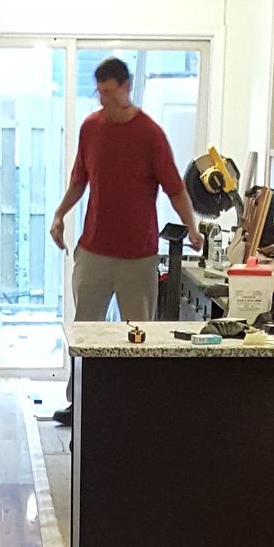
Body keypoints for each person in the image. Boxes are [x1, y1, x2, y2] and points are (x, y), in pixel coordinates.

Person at [49, 57, 202, 425]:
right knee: (85, 332)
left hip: (138, 256)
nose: (102, 99)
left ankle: (138, 408)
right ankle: (80, 404)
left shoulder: (150, 135)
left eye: (108, 92)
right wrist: (59, 215)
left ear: (125, 87)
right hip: (94, 252)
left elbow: (175, 189)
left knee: (140, 334)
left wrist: (193, 228)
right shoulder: (91, 128)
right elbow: (78, 180)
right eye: (98, 92)